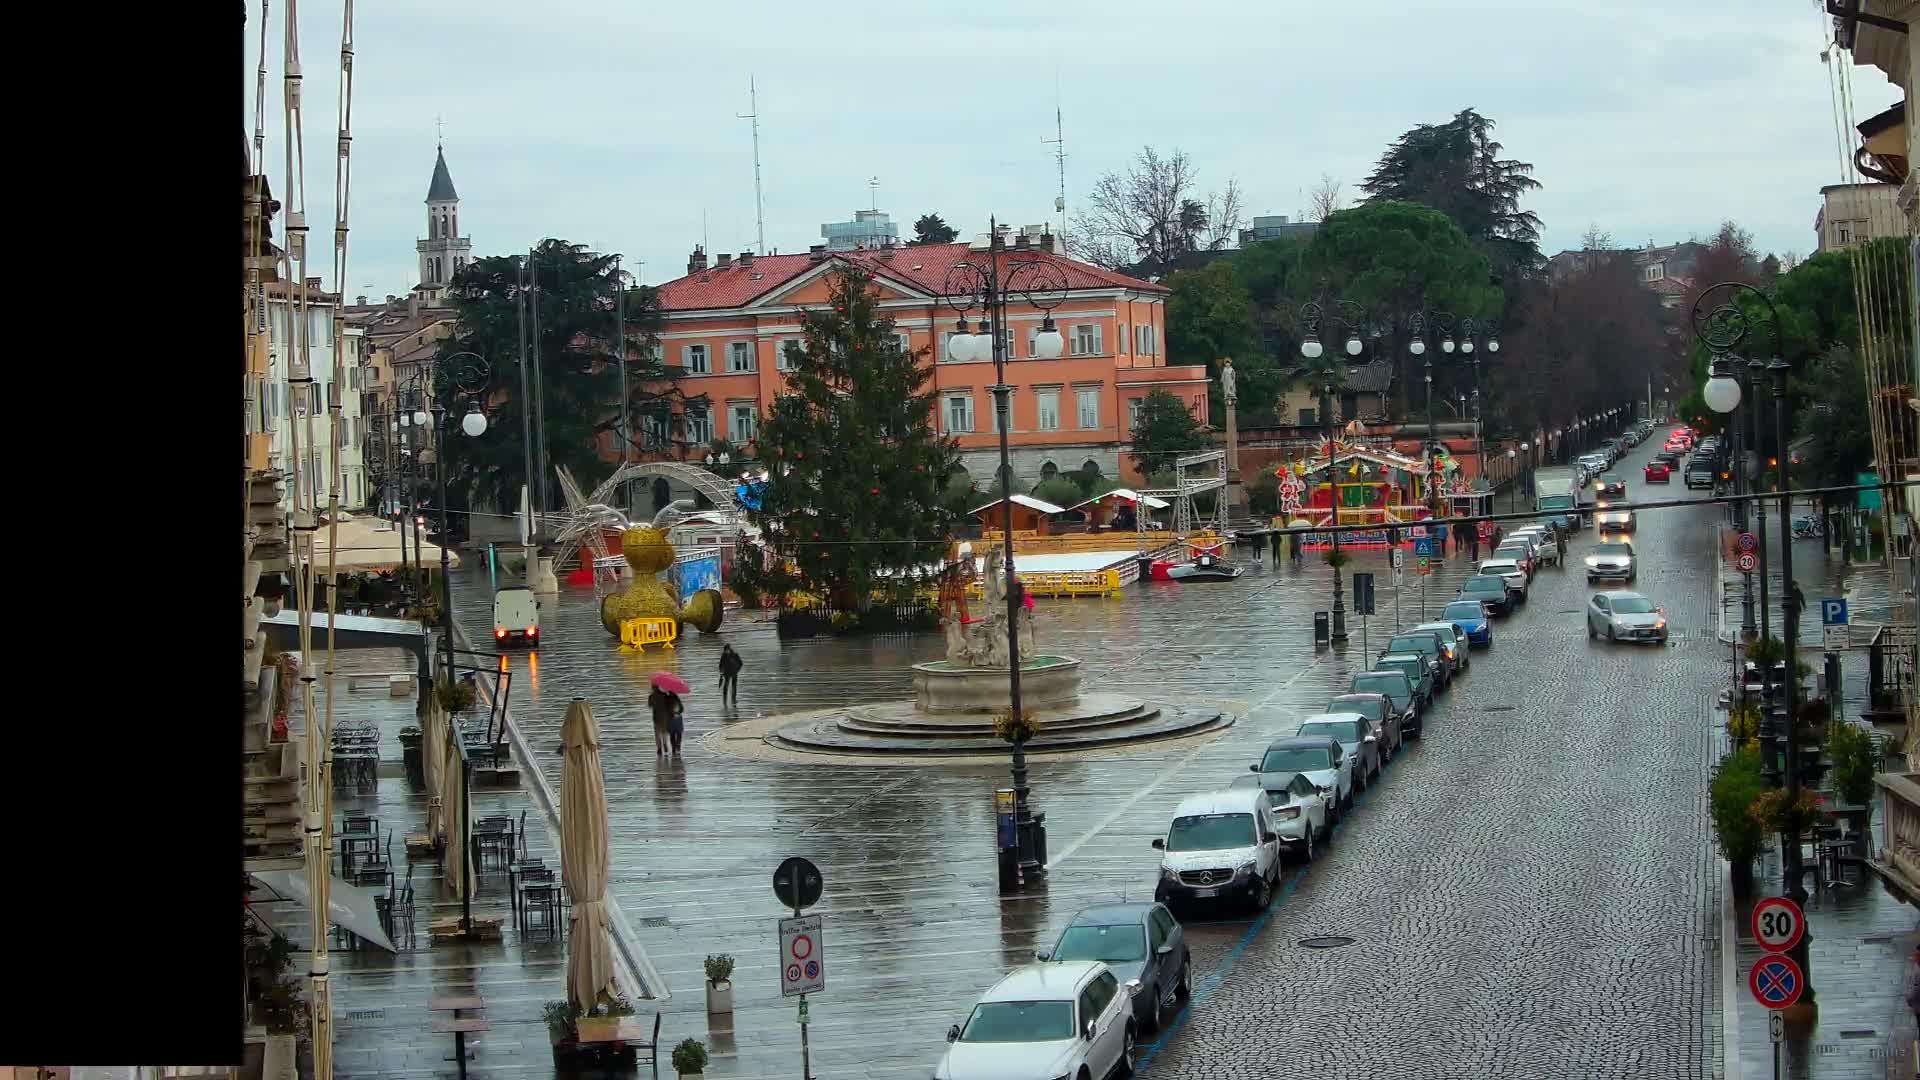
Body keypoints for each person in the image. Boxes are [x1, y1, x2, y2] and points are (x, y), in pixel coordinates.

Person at [718, 643, 743, 708]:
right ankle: (725, 700)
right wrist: (721, 673)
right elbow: (720, 665)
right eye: (725, 650)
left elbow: (741, 663)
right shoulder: (723, 656)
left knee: (734, 687)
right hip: (726, 673)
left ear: (729, 649)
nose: (725, 652)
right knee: (726, 686)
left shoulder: (735, 655)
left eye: (726, 650)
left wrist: (737, 670)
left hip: (734, 673)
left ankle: (733, 700)